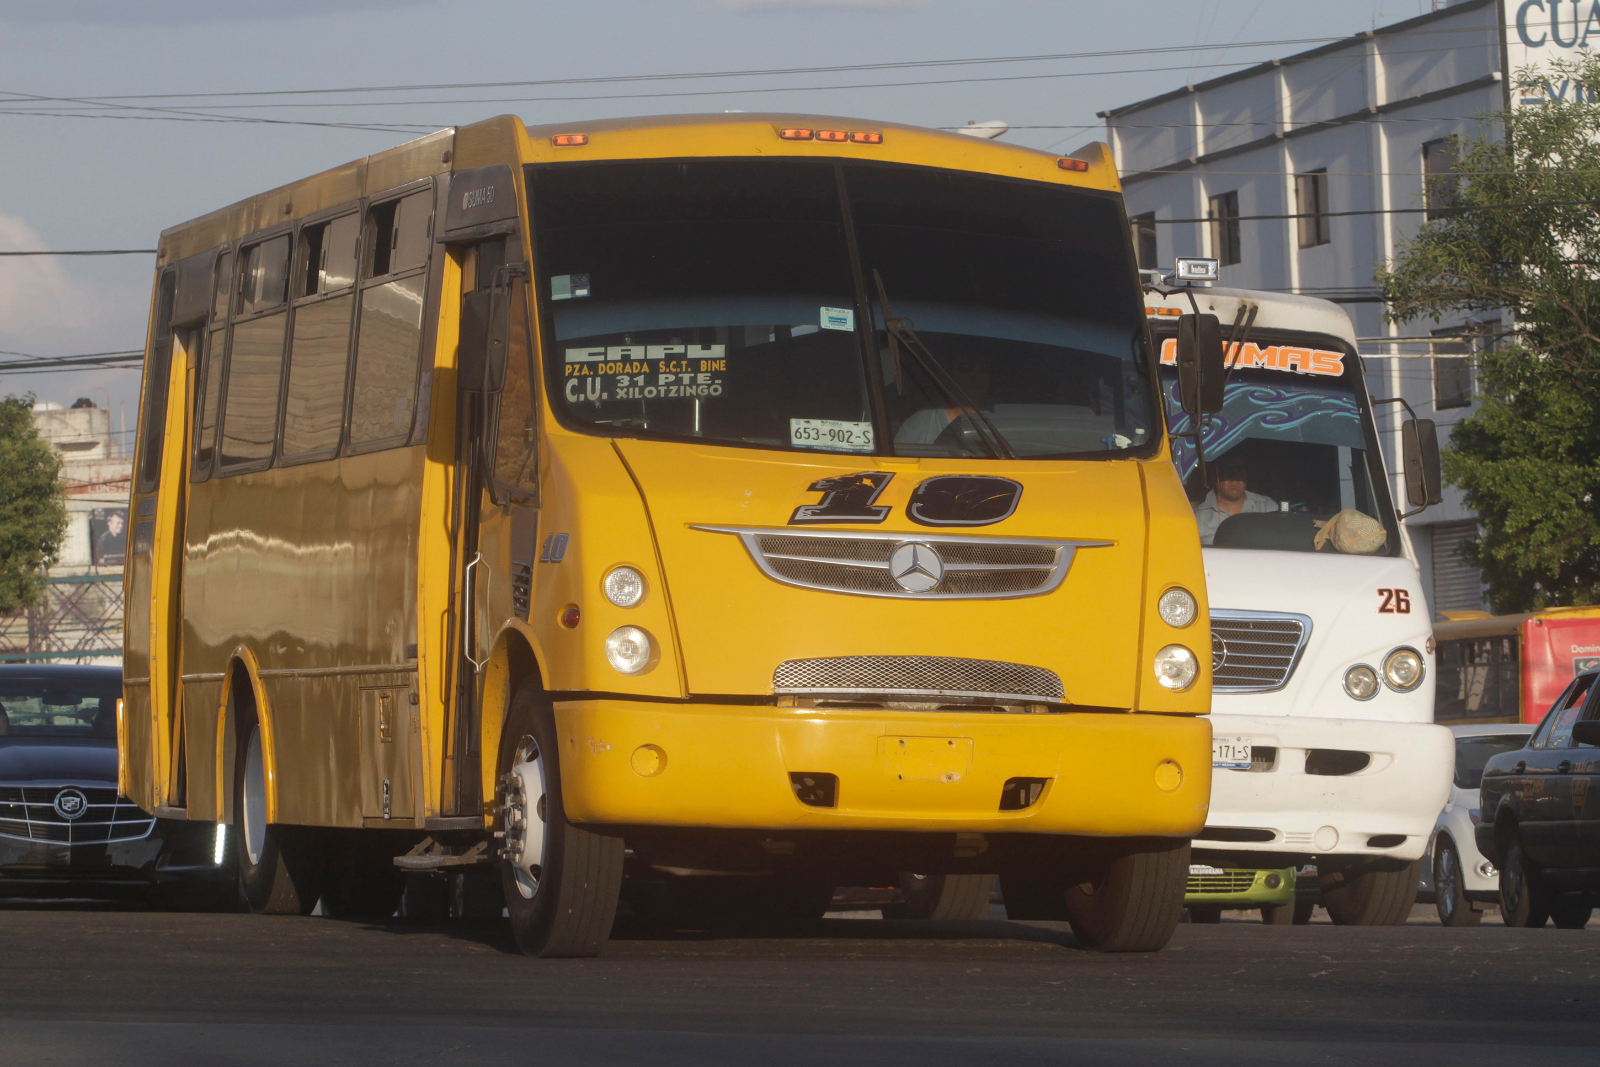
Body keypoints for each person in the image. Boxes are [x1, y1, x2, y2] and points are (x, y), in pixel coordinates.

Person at [894, 363, 993, 448]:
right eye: (966, 368)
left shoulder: (999, 418)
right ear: (948, 376)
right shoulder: (922, 421)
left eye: (983, 369)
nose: (975, 375)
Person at [1193, 454, 1276, 545]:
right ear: (1215, 478)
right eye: (1227, 473)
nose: (1234, 479)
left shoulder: (1267, 508)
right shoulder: (1197, 518)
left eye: (1240, 472)